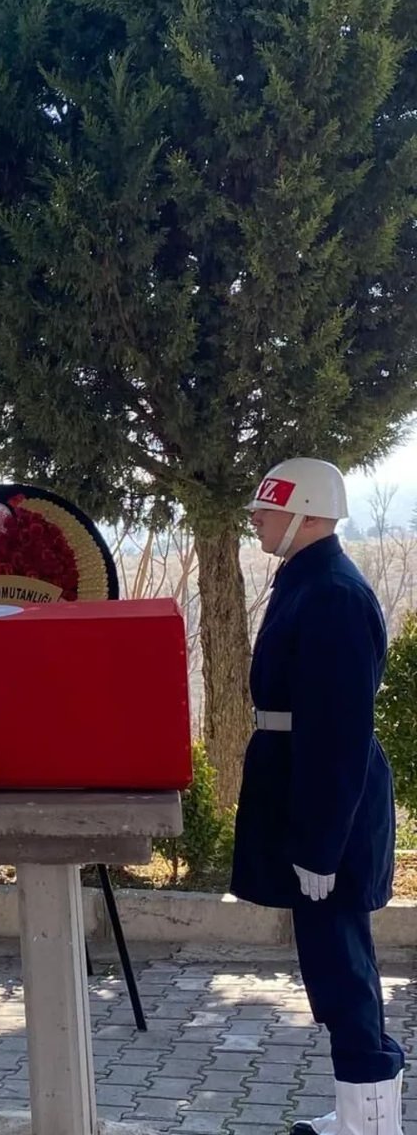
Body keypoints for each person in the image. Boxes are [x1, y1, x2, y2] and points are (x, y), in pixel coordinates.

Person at [231, 458, 404, 1135]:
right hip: (308, 793)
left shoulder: (330, 593)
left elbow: (337, 731)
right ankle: (366, 1111)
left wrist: (321, 843)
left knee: (342, 970)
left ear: (305, 511)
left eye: (266, 510)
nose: (257, 519)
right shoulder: (310, 582)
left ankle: (370, 1122)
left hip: (327, 801)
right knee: (334, 965)